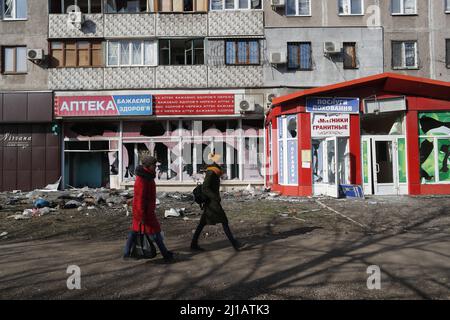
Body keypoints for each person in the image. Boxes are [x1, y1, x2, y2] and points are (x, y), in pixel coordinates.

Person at [190, 153, 245, 252]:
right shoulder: (211, 172)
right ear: (214, 161)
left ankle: (193, 244)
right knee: (224, 221)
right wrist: (215, 197)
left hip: (211, 202)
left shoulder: (214, 171)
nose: (221, 161)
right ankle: (234, 243)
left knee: (202, 223)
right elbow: (205, 187)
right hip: (212, 203)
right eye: (219, 160)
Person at [123, 155, 174, 262]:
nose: (156, 167)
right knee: (155, 232)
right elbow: (140, 197)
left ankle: (126, 254)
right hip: (143, 211)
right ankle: (165, 254)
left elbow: (139, 197)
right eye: (154, 165)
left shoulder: (148, 176)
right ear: (148, 166)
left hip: (145, 210)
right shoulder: (142, 179)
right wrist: (141, 214)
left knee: (135, 231)